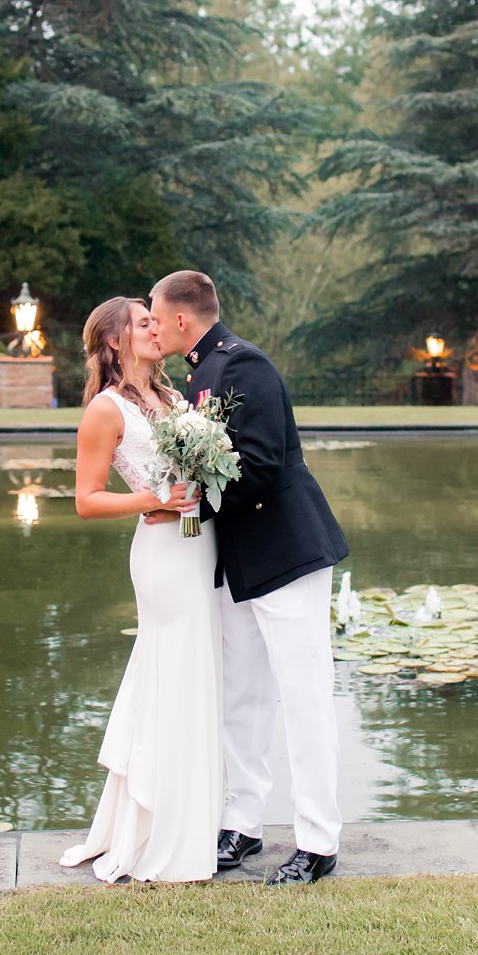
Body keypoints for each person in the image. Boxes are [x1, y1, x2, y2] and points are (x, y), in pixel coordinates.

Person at [148, 270, 350, 886]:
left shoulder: (244, 365)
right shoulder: (200, 370)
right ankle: (244, 826)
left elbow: (259, 466)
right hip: (238, 561)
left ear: (184, 319)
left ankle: (318, 842)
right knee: (242, 696)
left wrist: (192, 500)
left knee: (305, 697)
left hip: (284, 552)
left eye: (155, 316)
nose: (151, 326)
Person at [58, 296, 222, 884]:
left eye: (155, 320)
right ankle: (159, 832)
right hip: (162, 556)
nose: (156, 328)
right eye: (143, 322)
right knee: (169, 675)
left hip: (199, 544)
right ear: (113, 342)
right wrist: (153, 498)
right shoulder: (105, 410)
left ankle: (189, 822)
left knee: (193, 677)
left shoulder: (175, 399)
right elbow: (86, 499)